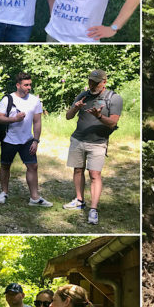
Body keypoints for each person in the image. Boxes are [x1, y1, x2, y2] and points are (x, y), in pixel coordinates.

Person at [62, 69, 123, 225]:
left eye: (95, 83)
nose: (92, 85)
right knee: (77, 169)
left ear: (104, 82)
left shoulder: (113, 98)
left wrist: (99, 116)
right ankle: (79, 200)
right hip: (78, 139)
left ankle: (93, 209)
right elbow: (68, 116)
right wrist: (76, 107)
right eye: (90, 81)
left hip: (98, 142)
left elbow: (113, 123)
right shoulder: (83, 95)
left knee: (95, 174)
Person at [0, 72, 52, 206]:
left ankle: (34, 197)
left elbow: (37, 122)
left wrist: (36, 141)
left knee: (33, 166)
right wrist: (14, 119)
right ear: (18, 85)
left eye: (30, 84)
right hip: (9, 140)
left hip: (27, 140)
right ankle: (4, 192)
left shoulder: (34, 100)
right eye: (26, 85)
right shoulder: (8, 99)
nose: (28, 87)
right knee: (5, 165)